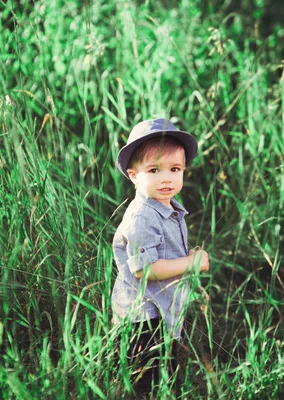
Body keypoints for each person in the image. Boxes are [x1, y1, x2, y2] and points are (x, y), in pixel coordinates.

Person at [111, 118, 210, 396]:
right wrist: (190, 264)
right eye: (154, 170)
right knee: (145, 377)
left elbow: (169, 256)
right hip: (142, 317)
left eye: (174, 169)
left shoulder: (169, 208)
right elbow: (145, 270)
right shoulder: (142, 215)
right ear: (133, 175)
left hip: (163, 310)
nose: (166, 178)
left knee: (165, 370)